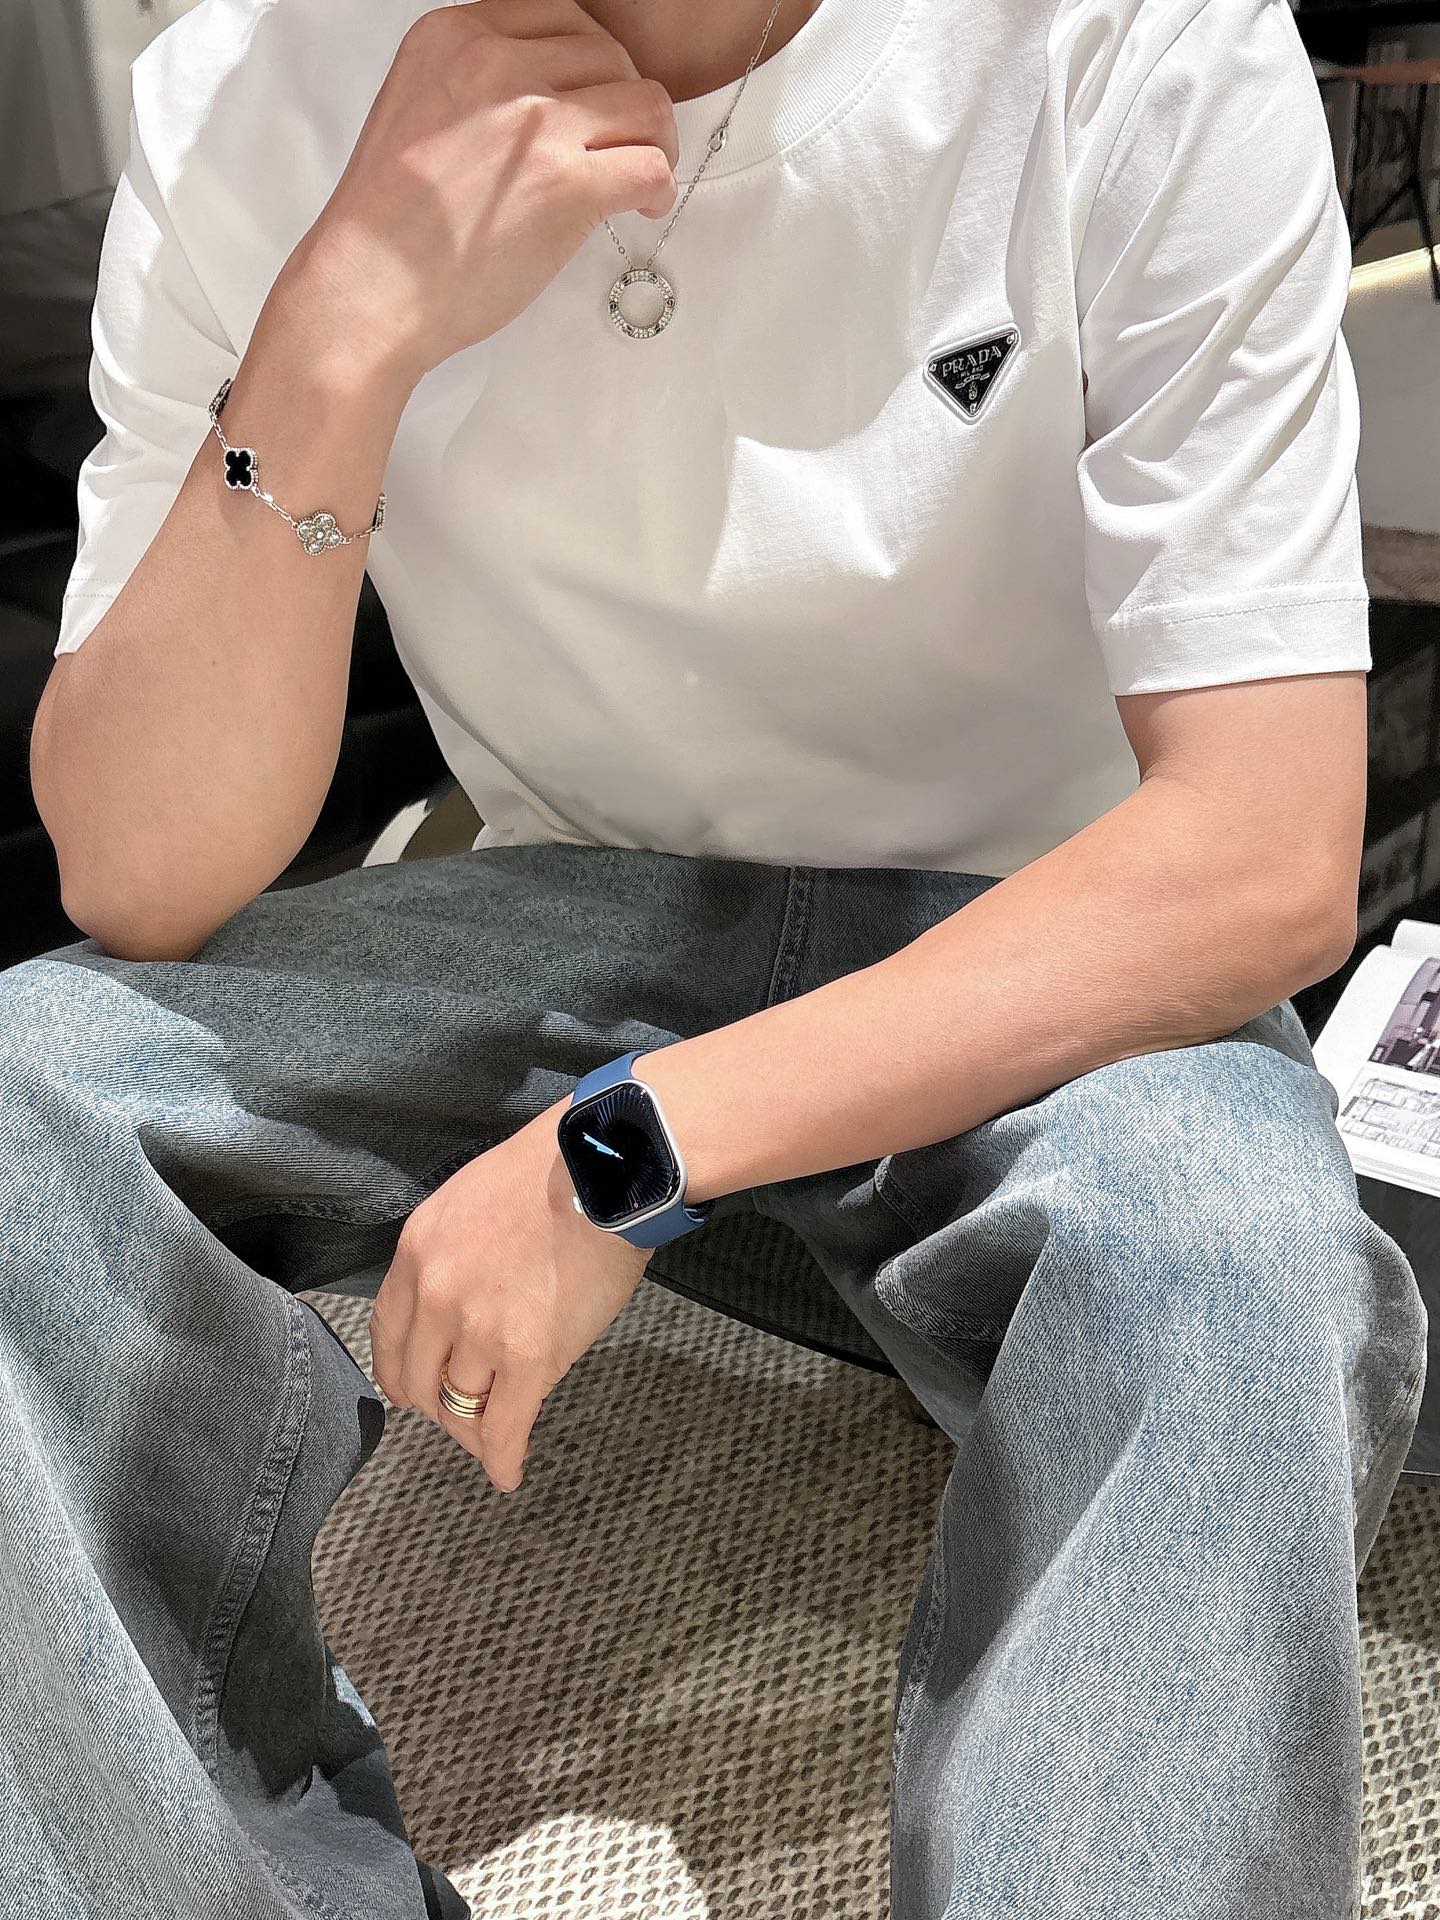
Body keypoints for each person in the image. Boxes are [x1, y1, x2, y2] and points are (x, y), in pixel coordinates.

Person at [5, 0, 1427, 1913]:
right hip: (571, 886)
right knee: (19, 1109)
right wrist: (344, 324)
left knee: (1231, 1260)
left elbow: (1259, 850)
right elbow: (139, 868)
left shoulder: (1126, 40)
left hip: (1038, 928)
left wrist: (624, 1152)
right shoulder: (251, 86)